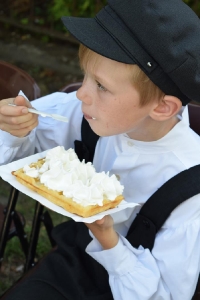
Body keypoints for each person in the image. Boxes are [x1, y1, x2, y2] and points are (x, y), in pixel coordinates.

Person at [0, 0, 200, 299]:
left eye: (101, 86)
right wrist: (15, 129)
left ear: (161, 107)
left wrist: (108, 238)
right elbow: (19, 160)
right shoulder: (83, 113)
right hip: (71, 265)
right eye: (86, 76)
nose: (81, 93)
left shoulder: (190, 190)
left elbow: (167, 294)